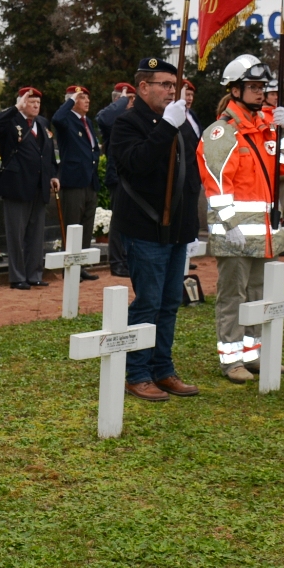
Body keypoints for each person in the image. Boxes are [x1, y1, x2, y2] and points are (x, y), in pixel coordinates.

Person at [199, 55, 284, 383]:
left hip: (262, 234)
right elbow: (216, 182)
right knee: (233, 297)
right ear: (235, 90)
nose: (260, 93)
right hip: (235, 234)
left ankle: (252, 354)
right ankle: (231, 360)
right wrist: (229, 225)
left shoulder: (266, 128)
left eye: (262, 87)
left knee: (257, 297)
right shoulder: (223, 131)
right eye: (253, 87)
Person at [112, 57, 200, 400]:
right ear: (142, 87)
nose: (171, 90)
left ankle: (163, 369)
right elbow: (136, 164)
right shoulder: (128, 123)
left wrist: (190, 228)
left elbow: (189, 175)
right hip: (145, 225)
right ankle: (137, 373)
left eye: (174, 85)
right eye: (164, 84)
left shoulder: (181, 120)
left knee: (169, 302)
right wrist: (166, 126)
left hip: (176, 227)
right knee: (148, 302)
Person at [0, 87, 60, 289]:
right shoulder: (11, 122)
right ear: (21, 102)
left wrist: (53, 175)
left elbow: (47, 155)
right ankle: (18, 276)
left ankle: (34, 274)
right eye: (31, 102)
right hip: (17, 186)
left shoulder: (43, 123)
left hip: (39, 187)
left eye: (38, 102)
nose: (36, 105)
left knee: (36, 234)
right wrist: (16, 108)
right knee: (16, 234)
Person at [51, 84, 101, 280]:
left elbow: (92, 149)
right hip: (73, 181)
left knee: (86, 226)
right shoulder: (67, 120)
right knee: (73, 226)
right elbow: (56, 118)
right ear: (71, 101)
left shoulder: (87, 121)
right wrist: (71, 99)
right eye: (81, 98)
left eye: (87, 97)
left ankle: (80, 265)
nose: (86, 101)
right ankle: (69, 267)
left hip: (90, 181)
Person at [95, 82, 135, 276]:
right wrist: (123, 99)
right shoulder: (113, 119)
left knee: (130, 220)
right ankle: (117, 261)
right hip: (117, 177)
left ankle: (127, 259)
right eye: (130, 99)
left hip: (132, 176)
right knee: (119, 220)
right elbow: (103, 118)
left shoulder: (131, 118)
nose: (133, 103)